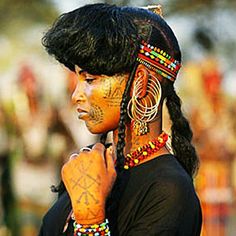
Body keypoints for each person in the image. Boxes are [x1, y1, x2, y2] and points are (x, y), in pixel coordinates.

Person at [39, 3, 202, 236]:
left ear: (141, 84)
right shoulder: (95, 165)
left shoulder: (169, 189)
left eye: (90, 79)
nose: (76, 95)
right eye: (77, 79)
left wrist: (90, 219)